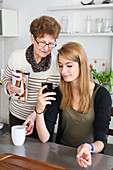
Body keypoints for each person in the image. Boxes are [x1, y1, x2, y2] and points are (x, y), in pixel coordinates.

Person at [36, 42, 112, 168]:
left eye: (69, 65)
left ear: (81, 65)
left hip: (91, 156)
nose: (63, 71)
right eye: (60, 66)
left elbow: (101, 142)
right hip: (62, 153)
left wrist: (88, 147)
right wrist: (39, 111)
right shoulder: (59, 93)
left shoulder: (101, 95)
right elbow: (44, 138)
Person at [2, 15, 61, 138]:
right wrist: (8, 86)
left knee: (39, 153)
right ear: (32, 38)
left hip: (40, 118)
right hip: (16, 114)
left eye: (51, 44)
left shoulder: (54, 64)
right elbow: (6, 78)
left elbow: (48, 97)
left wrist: (34, 115)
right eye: (43, 42)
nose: (46, 48)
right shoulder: (16, 56)